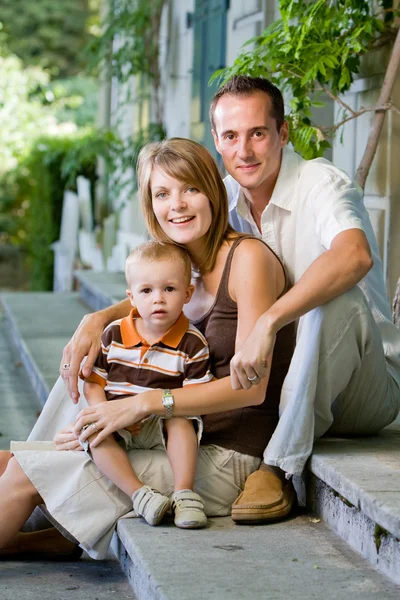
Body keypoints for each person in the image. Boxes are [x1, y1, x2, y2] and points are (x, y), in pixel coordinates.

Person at [60, 75, 399, 524]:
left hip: (360, 382)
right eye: (231, 136)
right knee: (98, 350)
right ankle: (56, 457)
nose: (245, 150)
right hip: (284, 379)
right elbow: (174, 281)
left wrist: (268, 322)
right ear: (217, 141)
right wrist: (99, 317)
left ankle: (277, 468)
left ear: (283, 133)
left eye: (258, 133)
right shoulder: (222, 195)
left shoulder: (322, 183)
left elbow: (353, 256)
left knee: (331, 304)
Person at [0, 137, 294, 560]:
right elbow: (153, 300)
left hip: (220, 457)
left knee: (27, 472)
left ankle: (37, 513)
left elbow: (252, 389)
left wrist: (147, 403)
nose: (177, 204)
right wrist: (96, 319)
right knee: (76, 387)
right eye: (162, 193)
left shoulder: (247, 260)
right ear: (150, 203)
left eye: (190, 188)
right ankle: (44, 531)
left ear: (214, 191)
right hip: (167, 435)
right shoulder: (183, 266)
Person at [81, 241, 214, 529]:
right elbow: (92, 384)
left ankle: (184, 494)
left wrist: (157, 411)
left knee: (182, 420)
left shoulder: (192, 343)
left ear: (188, 293)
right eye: (146, 291)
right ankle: (140, 495)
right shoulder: (113, 335)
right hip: (117, 420)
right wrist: (107, 414)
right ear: (131, 297)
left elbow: (195, 397)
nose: (158, 299)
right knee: (95, 434)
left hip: (161, 421)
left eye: (169, 289)